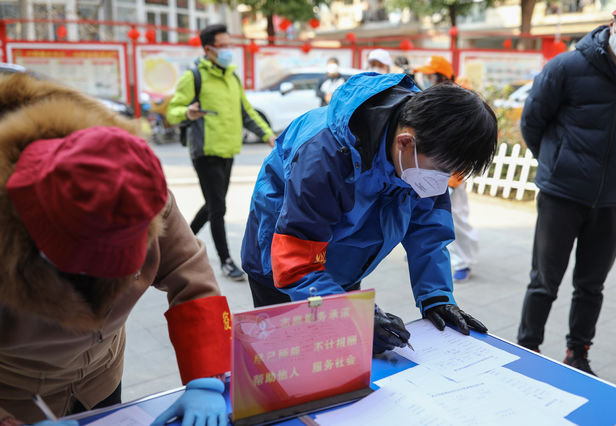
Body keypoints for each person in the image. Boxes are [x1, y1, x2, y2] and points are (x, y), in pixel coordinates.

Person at [0, 73, 231, 425]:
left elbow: (187, 269)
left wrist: (206, 375)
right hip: (15, 391)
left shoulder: (130, 181)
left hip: (100, 374)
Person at [241, 72, 498, 354]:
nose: (443, 180)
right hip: (280, 265)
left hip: (345, 262)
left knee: (340, 354)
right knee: (287, 361)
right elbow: (296, 263)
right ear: (404, 142)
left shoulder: (426, 149)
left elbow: (428, 231)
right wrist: (352, 317)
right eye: (440, 169)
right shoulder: (325, 157)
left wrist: (436, 296)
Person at [517, 0, 616, 375]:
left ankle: (578, 353)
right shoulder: (567, 67)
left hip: (613, 200)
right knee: (544, 282)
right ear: (612, 23)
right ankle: (527, 348)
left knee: (591, 286)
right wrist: (557, 164)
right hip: (561, 195)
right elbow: (531, 122)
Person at [167, 24, 276, 282]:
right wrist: (186, 113)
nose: (229, 50)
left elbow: (247, 112)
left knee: (214, 205)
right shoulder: (194, 77)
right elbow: (172, 111)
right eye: (224, 45)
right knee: (218, 208)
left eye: (230, 44)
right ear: (209, 49)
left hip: (228, 150)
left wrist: (268, 135)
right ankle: (226, 260)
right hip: (204, 152)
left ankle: (180, 242)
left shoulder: (232, 77)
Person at [416, 56, 478, 282]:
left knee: (457, 219)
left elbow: (464, 143)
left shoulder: (459, 101)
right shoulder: (437, 98)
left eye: (430, 75)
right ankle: (452, 259)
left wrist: (454, 178)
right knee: (439, 217)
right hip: (435, 169)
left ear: (440, 76)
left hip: (452, 172)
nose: (426, 79)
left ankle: (465, 262)